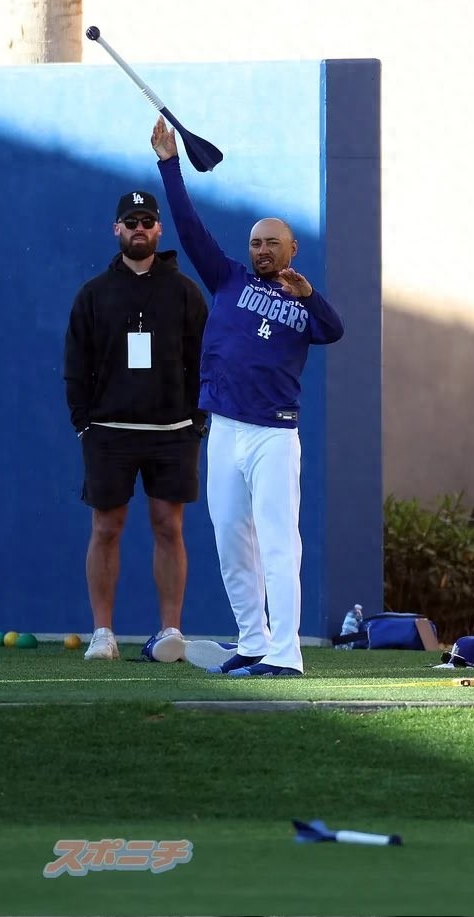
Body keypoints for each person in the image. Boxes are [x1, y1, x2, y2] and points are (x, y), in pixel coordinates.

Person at [151, 115, 345, 678]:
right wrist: (169, 163)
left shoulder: (303, 300)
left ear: (291, 248)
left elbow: (333, 332)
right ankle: (253, 643)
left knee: (280, 544)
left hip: (274, 433)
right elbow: (188, 229)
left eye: (271, 243)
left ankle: (287, 655)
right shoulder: (228, 279)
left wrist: (310, 295)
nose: (261, 250)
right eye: (256, 243)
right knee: (231, 538)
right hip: (225, 428)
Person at [64, 190, 209, 663]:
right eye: (131, 222)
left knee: (169, 526)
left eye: (148, 221)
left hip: (172, 431)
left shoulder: (184, 291)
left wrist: (197, 421)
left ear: (159, 229)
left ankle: (171, 631)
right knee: (107, 526)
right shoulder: (93, 294)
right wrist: (84, 424)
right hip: (108, 431)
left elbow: (203, 361)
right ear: (117, 230)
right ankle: (102, 634)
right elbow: (75, 365)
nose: (139, 228)